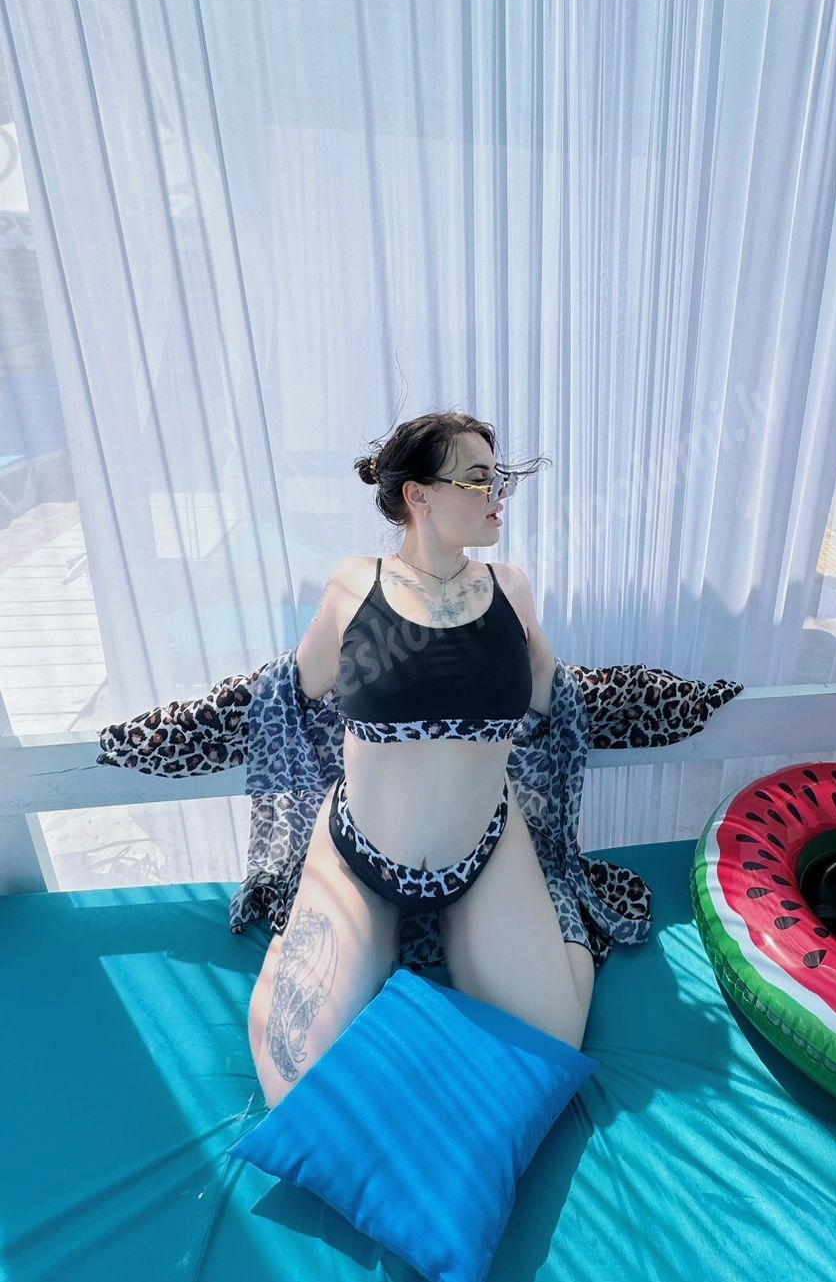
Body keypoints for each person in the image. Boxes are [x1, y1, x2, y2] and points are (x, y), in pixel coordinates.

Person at [247, 410, 595, 1107]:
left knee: (554, 1051)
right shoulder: (353, 586)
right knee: (295, 1083)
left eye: (499, 479)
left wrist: (662, 700)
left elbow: (554, 693)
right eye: (478, 480)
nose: (497, 495)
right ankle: (306, 933)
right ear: (419, 495)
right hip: (362, 858)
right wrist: (173, 733)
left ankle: (527, 921)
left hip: (484, 852)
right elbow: (292, 687)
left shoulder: (511, 588)